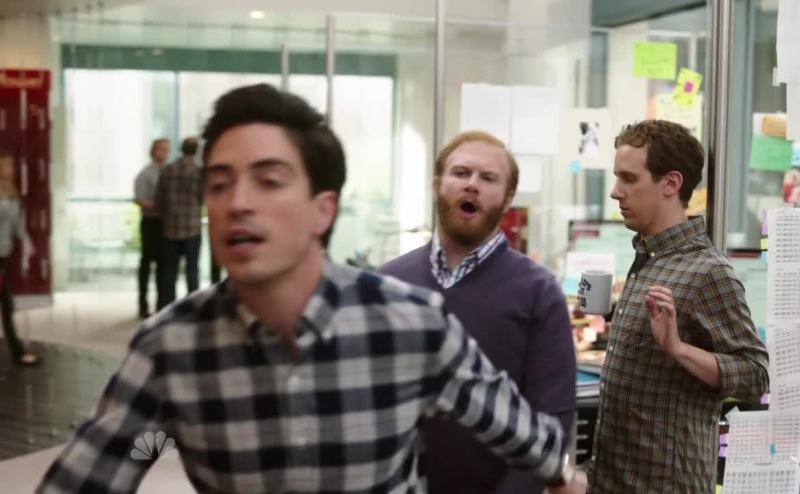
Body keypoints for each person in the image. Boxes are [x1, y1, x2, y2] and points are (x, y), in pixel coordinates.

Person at [37, 84, 586, 493]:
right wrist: (159, 437)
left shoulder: (409, 326)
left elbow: (526, 435)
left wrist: (561, 473)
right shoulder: (173, 348)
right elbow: (117, 459)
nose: (237, 203)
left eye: (268, 181)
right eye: (220, 184)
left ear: (323, 209)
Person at [380, 130, 576, 494]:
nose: (472, 184)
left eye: (488, 178)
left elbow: (554, 416)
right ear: (437, 185)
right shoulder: (387, 284)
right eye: (460, 173)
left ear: (507, 198)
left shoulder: (538, 292)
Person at [588, 120, 769, 493]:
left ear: (670, 184)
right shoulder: (649, 258)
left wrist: (678, 349)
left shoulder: (708, 272)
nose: (615, 192)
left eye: (628, 179)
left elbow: (755, 375)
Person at [154, 137, 203, 310]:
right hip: (192, 228)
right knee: (192, 271)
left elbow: (159, 200)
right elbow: (203, 198)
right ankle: (194, 308)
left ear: (181, 149)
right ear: (196, 150)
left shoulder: (168, 170)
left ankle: (167, 309)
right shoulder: (199, 172)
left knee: (169, 272)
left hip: (170, 229)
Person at [0, 150, 38, 366]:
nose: (12, 170)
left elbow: (17, 224)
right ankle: (18, 352)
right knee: (6, 303)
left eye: (12, 166)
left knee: (6, 304)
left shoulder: (12, 191)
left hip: (3, 255)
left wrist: (27, 242)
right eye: (7, 166)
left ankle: (18, 352)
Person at [134, 138, 170, 318]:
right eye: (161, 149)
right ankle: (143, 304)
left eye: (167, 149)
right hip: (150, 223)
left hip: (166, 223)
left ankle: (162, 305)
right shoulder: (145, 174)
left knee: (164, 265)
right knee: (146, 263)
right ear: (153, 151)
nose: (165, 153)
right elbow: (139, 199)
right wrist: (156, 206)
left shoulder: (170, 172)